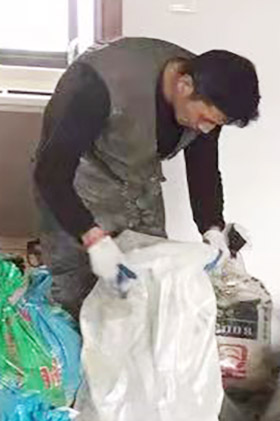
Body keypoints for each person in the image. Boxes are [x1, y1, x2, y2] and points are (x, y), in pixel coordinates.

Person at [34, 37, 260, 318]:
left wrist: (212, 227)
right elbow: (51, 172)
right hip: (79, 184)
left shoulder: (211, 95)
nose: (205, 129)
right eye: (206, 119)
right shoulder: (97, 83)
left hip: (139, 187)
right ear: (184, 85)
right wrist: (92, 237)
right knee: (78, 293)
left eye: (215, 124)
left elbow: (203, 168)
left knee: (147, 288)